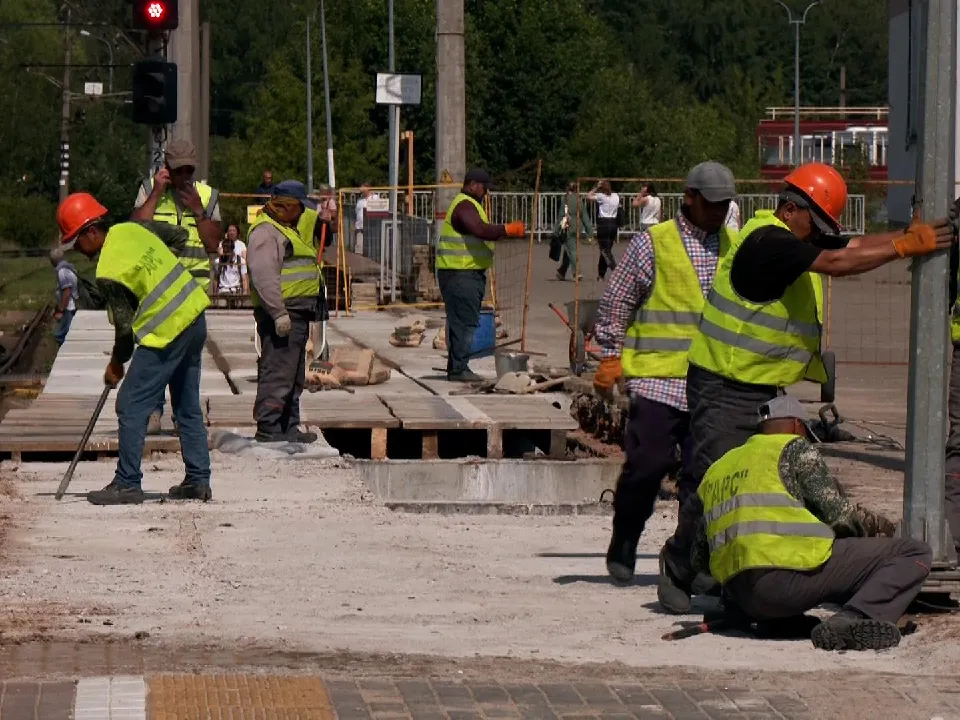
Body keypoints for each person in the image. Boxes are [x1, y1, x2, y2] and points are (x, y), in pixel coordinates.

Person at [657, 161, 956, 614]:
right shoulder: (767, 242)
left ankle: (727, 566)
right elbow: (838, 260)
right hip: (724, 384)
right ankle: (678, 565)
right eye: (813, 225)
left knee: (767, 485)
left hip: (762, 390)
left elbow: (847, 244)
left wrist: (911, 241)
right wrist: (901, 245)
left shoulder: (796, 236)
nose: (818, 234)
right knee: (713, 482)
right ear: (790, 209)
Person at [593, 162, 738, 583]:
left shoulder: (734, 245)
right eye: (710, 204)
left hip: (713, 383)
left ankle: (689, 559)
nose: (717, 212)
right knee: (646, 463)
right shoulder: (652, 243)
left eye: (724, 205)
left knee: (703, 477)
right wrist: (609, 355)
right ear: (688, 197)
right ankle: (626, 534)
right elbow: (617, 302)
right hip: (659, 379)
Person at [690, 395, 929, 651]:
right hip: (783, 587)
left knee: (801, 600)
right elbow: (841, 517)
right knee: (912, 552)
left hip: (739, 596)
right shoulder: (794, 448)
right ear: (796, 425)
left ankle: (773, 621)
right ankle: (854, 619)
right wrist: (872, 536)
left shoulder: (719, 467)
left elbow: (699, 559)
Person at [55, 192, 212, 505]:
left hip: (166, 332)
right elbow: (180, 236)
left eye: (77, 242)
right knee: (186, 405)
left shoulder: (109, 271)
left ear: (91, 232)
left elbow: (125, 331)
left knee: (130, 403)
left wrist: (116, 363)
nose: (78, 251)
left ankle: (127, 483)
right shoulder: (134, 229)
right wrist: (154, 274)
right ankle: (198, 480)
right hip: (195, 316)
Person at [130, 139, 222, 435]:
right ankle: (153, 411)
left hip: (193, 294)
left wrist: (198, 210)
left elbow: (212, 243)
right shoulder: (149, 189)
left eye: (188, 171)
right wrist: (157, 192)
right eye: (178, 170)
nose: (184, 177)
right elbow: (135, 231)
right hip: (157, 293)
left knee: (188, 361)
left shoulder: (207, 196)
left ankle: (185, 415)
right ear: (167, 168)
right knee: (155, 354)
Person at [246, 180, 323, 443]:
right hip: (283, 313)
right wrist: (278, 313)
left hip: (298, 312)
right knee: (278, 370)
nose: (303, 213)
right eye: (299, 208)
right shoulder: (266, 232)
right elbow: (264, 276)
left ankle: (288, 426)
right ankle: (269, 426)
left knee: (293, 372)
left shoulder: (285, 228)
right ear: (287, 207)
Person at [436, 169, 526, 382]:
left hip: (463, 273)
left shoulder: (469, 204)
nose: (486, 192)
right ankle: (459, 370)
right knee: (465, 323)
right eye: (484, 187)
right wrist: (508, 229)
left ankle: (457, 366)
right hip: (460, 273)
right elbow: (480, 229)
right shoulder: (464, 206)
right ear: (473, 184)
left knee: (461, 321)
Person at [556, 182, 592, 281]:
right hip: (578, 226)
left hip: (568, 225)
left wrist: (556, 231)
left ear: (568, 189)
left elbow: (561, 215)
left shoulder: (565, 199)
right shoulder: (579, 200)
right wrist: (590, 232)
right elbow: (585, 217)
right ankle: (561, 271)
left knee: (572, 250)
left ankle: (577, 273)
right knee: (570, 248)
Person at [587, 180, 620, 280]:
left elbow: (588, 196)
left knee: (604, 250)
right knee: (606, 250)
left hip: (604, 223)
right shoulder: (616, 196)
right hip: (613, 223)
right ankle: (601, 274)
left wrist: (596, 187)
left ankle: (616, 269)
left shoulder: (601, 196)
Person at [50, 247, 79, 346]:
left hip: (68, 308)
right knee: (66, 333)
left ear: (54, 260)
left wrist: (61, 310)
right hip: (71, 306)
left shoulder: (62, 271)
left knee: (61, 335)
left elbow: (66, 292)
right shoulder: (69, 268)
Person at [213, 224, 248, 296]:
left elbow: (244, 262)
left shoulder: (241, 245)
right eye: (230, 231)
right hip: (223, 288)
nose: (231, 232)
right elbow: (215, 278)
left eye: (234, 230)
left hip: (237, 279)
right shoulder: (222, 244)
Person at [354, 183, 380, 255]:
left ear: (368, 188)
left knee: (370, 249)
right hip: (359, 227)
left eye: (363, 189)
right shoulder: (360, 200)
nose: (362, 191)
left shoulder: (375, 198)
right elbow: (356, 212)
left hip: (371, 227)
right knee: (359, 249)